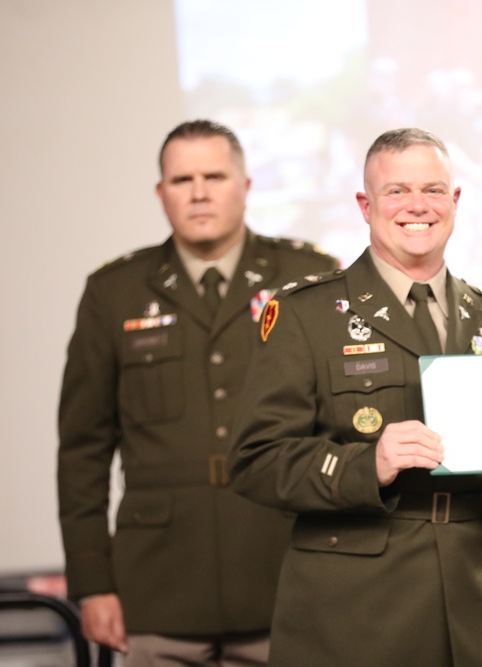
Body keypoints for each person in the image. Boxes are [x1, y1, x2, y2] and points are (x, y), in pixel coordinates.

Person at [227, 127, 482, 666]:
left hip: (473, 602)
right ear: (366, 205)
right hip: (355, 611)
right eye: (397, 191)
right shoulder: (305, 316)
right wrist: (368, 463)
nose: (417, 206)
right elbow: (255, 460)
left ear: (454, 201)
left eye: (432, 190)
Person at [57, 119, 341, 666]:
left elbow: (340, 429)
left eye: (215, 175)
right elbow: (82, 451)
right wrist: (92, 583)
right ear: (161, 193)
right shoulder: (113, 292)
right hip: (160, 586)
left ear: (246, 186)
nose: (200, 192)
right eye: (182, 179)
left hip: (285, 569)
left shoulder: (308, 278)